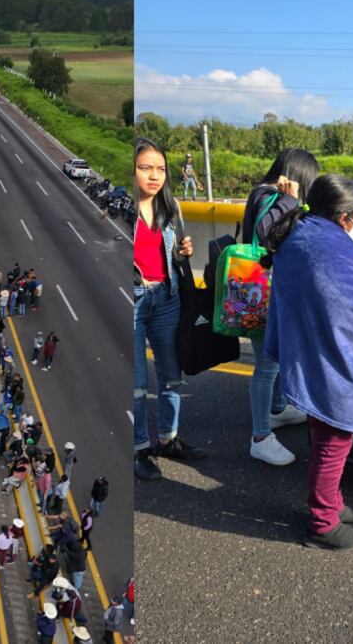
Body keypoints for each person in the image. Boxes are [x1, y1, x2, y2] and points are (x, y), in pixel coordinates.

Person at [265, 175, 353, 550]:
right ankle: (322, 522)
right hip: (331, 359)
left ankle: (332, 502)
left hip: (309, 349)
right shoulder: (332, 246)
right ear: (345, 216)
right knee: (334, 439)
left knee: (323, 434)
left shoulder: (302, 233)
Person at [237, 148, 322, 466]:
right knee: (267, 364)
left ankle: (277, 409)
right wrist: (291, 202)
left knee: (274, 359)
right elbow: (263, 232)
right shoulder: (268, 195)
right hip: (263, 295)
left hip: (264, 292)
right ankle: (260, 436)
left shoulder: (264, 193)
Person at [132, 138, 199, 482]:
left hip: (167, 297)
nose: (154, 176)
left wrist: (182, 254)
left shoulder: (170, 208)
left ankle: (166, 438)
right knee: (137, 382)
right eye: (145, 168)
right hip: (135, 300)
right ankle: (140, 448)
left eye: (160, 169)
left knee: (171, 373)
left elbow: (170, 256)